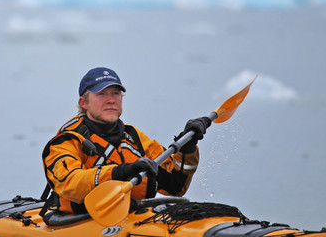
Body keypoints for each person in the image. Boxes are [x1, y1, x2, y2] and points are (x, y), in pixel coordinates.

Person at [42, 67, 211, 214]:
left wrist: (187, 148)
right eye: (101, 94)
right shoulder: (66, 141)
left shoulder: (134, 137)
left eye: (116, 93)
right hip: (79, 220)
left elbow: (176, 186)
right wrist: (120, 172)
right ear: (83, 102)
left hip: (132, 216)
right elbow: (71, 182)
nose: (111, 100)